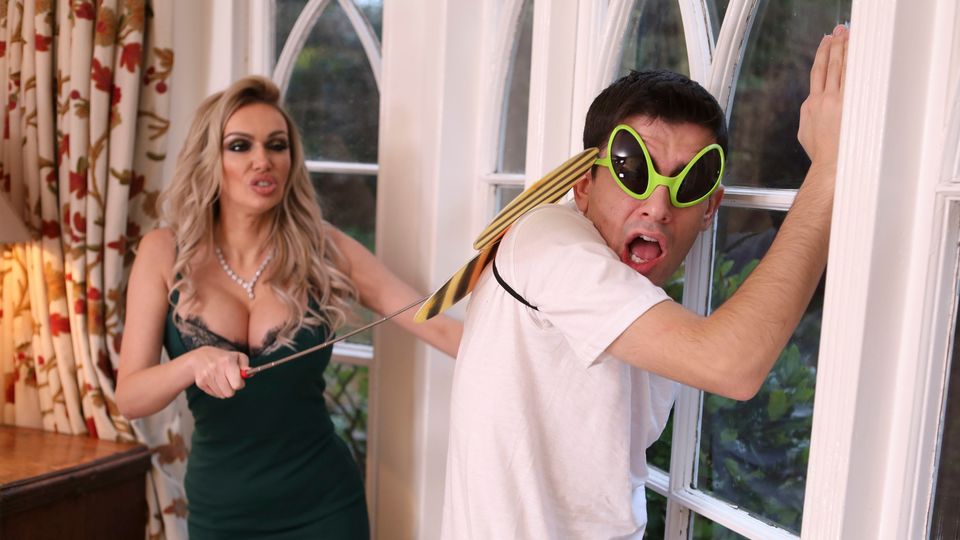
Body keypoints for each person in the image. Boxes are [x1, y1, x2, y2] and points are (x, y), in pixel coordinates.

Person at [441, 25, 848, 539]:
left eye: (690, 181)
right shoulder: (547, 243)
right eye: (632, 169)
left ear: (710, 208)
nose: (658, 205)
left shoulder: (625, 297)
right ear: (583, 186)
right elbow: (732, 366)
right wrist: (829, 169)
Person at [116, 75, 462, 539]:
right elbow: (130, 397)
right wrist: (193, 363)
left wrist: (536, 351)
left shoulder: (322, 247)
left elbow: (433, 322)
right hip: (223, 514)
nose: (263, 160)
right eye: (240, 146)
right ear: (209, 158)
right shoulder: (164, 253)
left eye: (276, 145)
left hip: (325, 507)